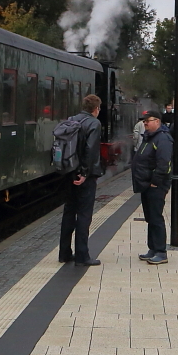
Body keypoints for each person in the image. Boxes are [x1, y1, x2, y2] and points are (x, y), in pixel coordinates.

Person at [59, 93, 104, 267]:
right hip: (84, 175)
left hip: (69, 171)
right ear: (96, 109)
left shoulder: (72, 120)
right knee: (84, 214)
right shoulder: (94, 123)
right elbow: (91, 150)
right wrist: (84, 174)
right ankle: (82, 256)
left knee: (69, 211)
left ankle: (64, 253)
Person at [132, 110, 173, 265]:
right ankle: (153, 249)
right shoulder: (150, 137)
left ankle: (161, 251)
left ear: (158, 121)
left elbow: (164, 162)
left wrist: (155, 181)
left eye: (148, 120)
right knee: (150, 217)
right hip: (146, 184)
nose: (145, 123)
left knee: (156, 217)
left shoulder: (162, 138)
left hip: (155, 185)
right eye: (144, 121)